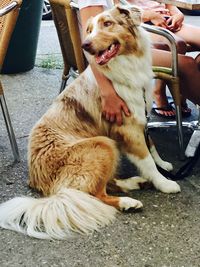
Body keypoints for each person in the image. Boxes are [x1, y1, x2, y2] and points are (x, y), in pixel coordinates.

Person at [77, 0, 200, 125]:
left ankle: (181, 95)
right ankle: (172, 94)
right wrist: (107, 93)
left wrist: (175, 13)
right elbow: (90, 43)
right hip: (123, 53)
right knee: (186, 63)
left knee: (178, 50)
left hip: (130, 42)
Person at [129, 0, 200, 117]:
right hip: (139, 24)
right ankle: (159, 92)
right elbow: (116, 11)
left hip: (167, 20)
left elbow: (171, 6)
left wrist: (178, 15)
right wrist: (149, 15)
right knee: (177, 44)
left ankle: (185, 88)